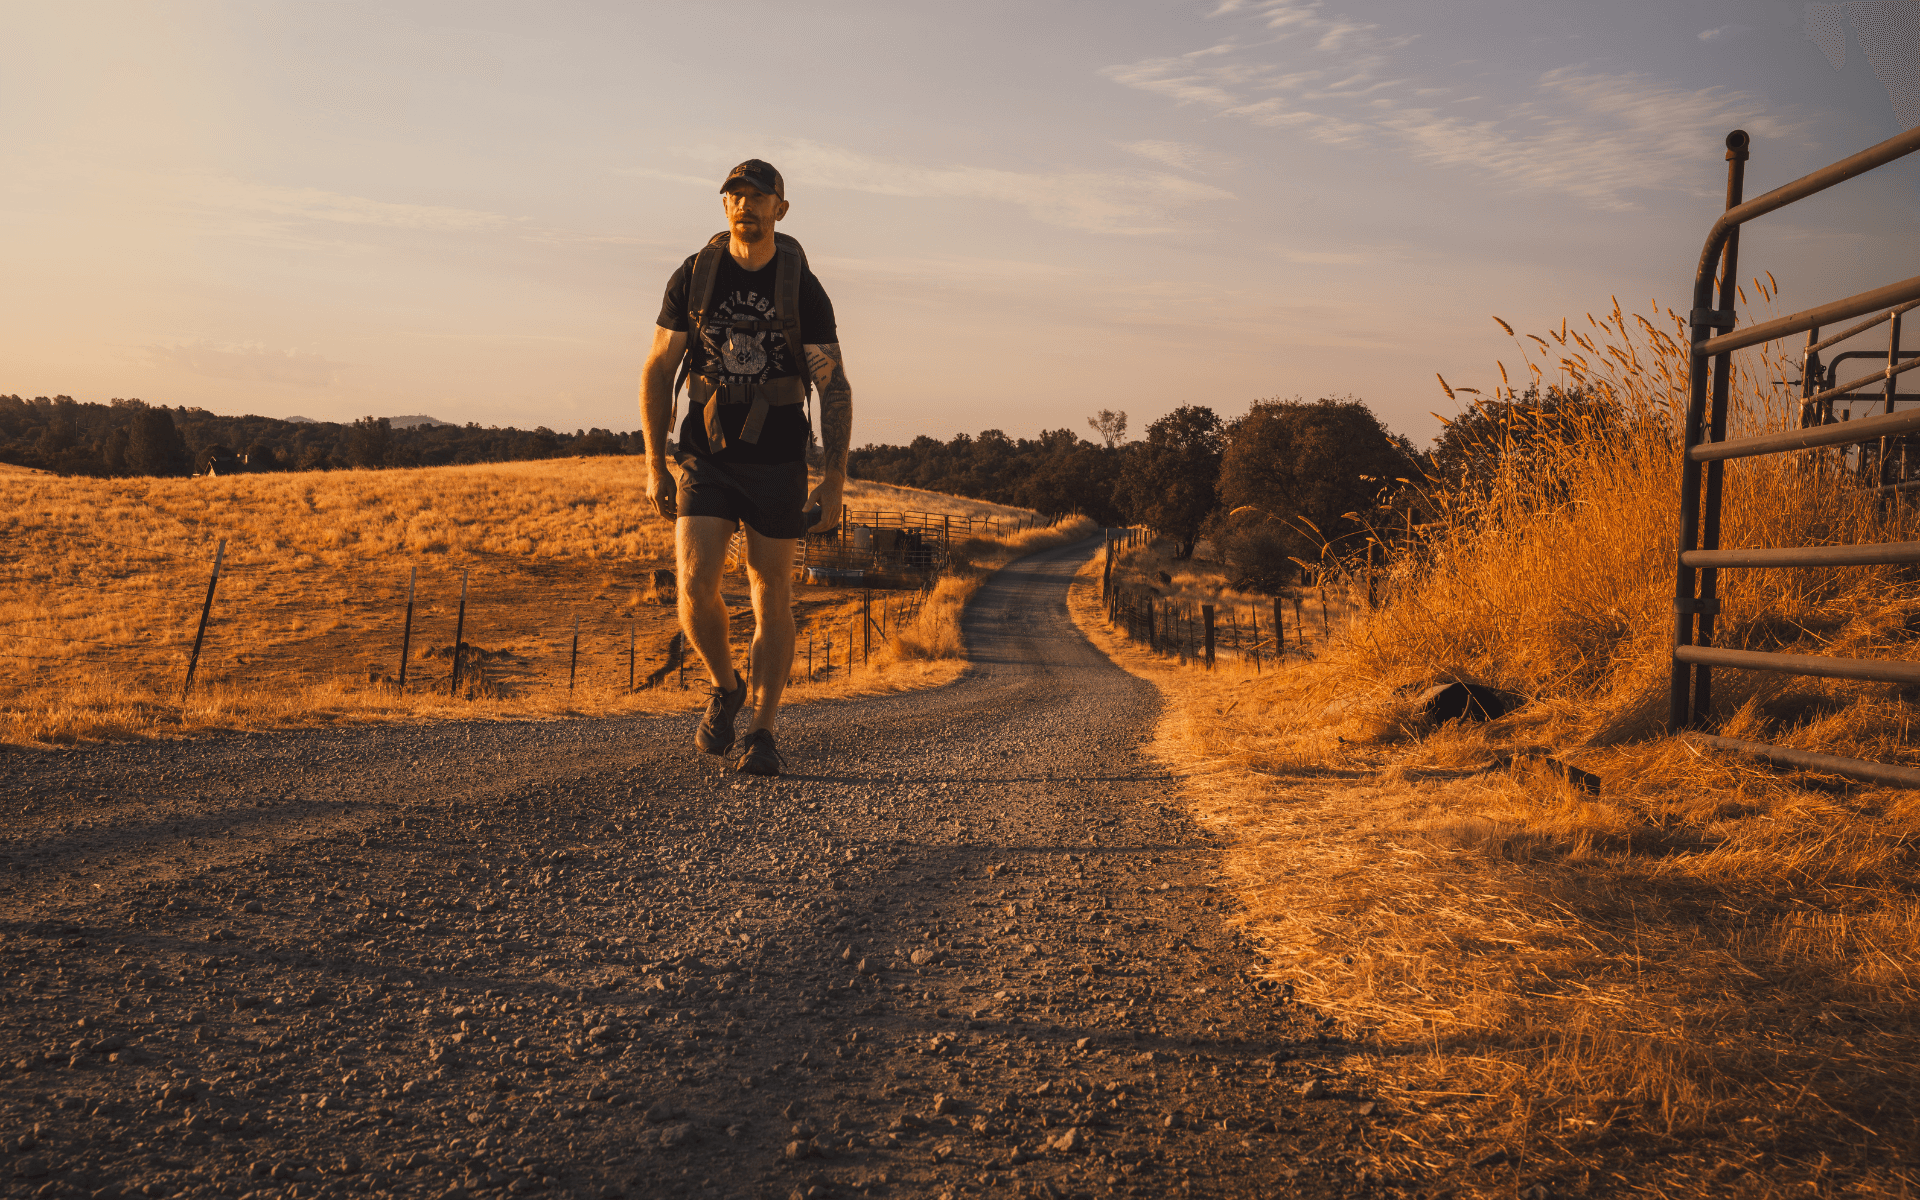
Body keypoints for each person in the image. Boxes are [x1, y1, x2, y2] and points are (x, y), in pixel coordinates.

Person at [639, 159, 853, 776]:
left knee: (769, 589)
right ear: (724, 205)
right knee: (695, 582)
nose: (746, 206)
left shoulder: (802, 288)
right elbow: (657, 367)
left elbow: (833, 387)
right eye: (735, 195)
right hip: (705, 454)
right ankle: (725, 685)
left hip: (779, 458)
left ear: (780, 210)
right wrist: (655, 464)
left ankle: (763, 729)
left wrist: (833, 477)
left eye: (759, 197)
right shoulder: (697, 275)